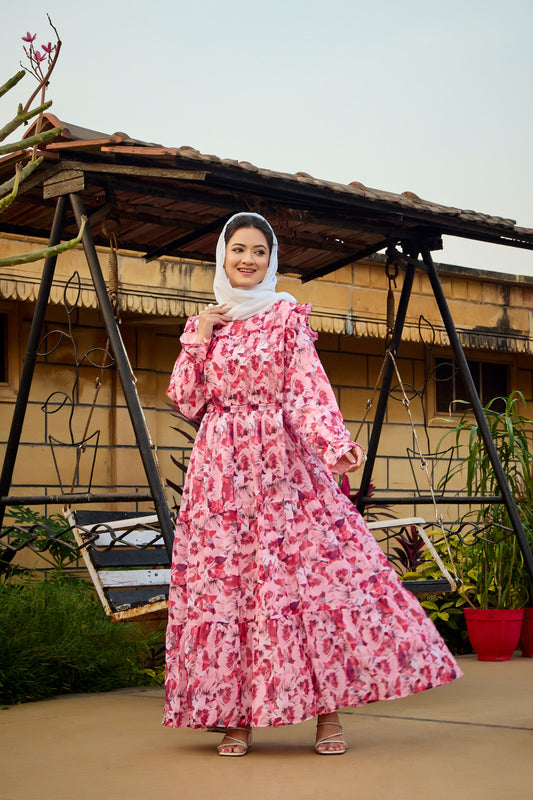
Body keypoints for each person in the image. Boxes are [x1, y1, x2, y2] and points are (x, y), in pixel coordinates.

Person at [163, 212, 462, 756]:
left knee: (308, 588)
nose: (248, 260)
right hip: (220, 477)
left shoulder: (285, 317)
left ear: (272, 260)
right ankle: (237, 719)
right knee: (231, 591)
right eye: (239, 249)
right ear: (222, 256)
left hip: (283, 471)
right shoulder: (207, 324)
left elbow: (307, 392)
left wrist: (334, 445)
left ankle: (328, 716)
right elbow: (186, 399)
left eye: (259, 251)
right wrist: (199, 336)